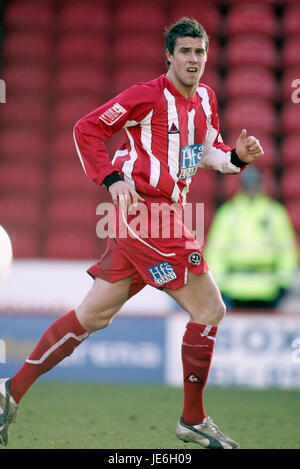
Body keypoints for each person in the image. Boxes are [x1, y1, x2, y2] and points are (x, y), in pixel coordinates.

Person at [0, 18, 264, 449]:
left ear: (207, 55)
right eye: (185, 52)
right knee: (210, 309)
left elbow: (207, 154)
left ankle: (10, 391)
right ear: (169, 56)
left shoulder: (206, 100)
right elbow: (86, 128)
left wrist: (237, 156)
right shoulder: (147, 95)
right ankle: (192, 420)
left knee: (92, 316)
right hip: (147, 216)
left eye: (200, 52)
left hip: (159, 219)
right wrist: (110, 178)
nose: (193, 59)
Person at [204, 166, 299, 309]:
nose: (251, 188)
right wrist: (220, 283)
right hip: (234, 288)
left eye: (254, 184)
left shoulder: (274, 213)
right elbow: (215, 251)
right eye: (248, 184)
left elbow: (287, 250)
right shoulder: (228, 213)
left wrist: (283, 282)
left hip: (269, 289)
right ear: (242, 186)